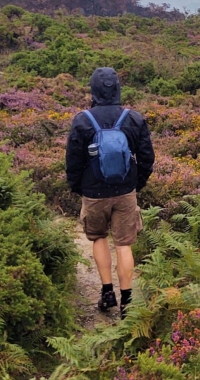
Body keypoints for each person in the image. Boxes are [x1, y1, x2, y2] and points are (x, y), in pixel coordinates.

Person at [66, 67, 155, 317]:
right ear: (117, 88)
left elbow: (73, 161)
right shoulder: (133, 118)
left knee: (99, 238)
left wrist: (78, 187)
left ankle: (107, 293)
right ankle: (127, 301)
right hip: (125, 191)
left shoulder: (82, 120)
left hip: (94, 193)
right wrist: (136, 184)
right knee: (124, 244)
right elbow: (147, 158)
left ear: (93, 89)